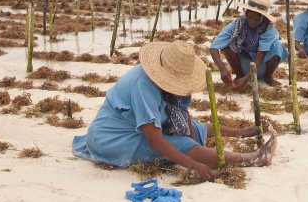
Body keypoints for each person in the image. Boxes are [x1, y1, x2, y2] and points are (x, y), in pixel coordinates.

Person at [72, 39, 277, 181]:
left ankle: (242, 132)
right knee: (185, 144)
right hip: (111, 139)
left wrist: (190, 131)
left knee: (195, 129)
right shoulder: (144, 86)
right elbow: (154, 138)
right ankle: (252, 158)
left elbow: (182, 115)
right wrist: (193, 164)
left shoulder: (166, 86)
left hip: (135, 128)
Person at [209, 0, 288, 90]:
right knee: (227, 46)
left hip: (261, 66)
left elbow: (260, 56)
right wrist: (222, 69)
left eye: (256, 20)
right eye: (249, 17)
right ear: (246, 13)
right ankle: (239, 75)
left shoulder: (268, 28)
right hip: (243, 65)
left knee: (277, 45)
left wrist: (246, 79)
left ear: (262, 18)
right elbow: (213, 47)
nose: (252, 22)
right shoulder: (237, 25)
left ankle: (268, 78)